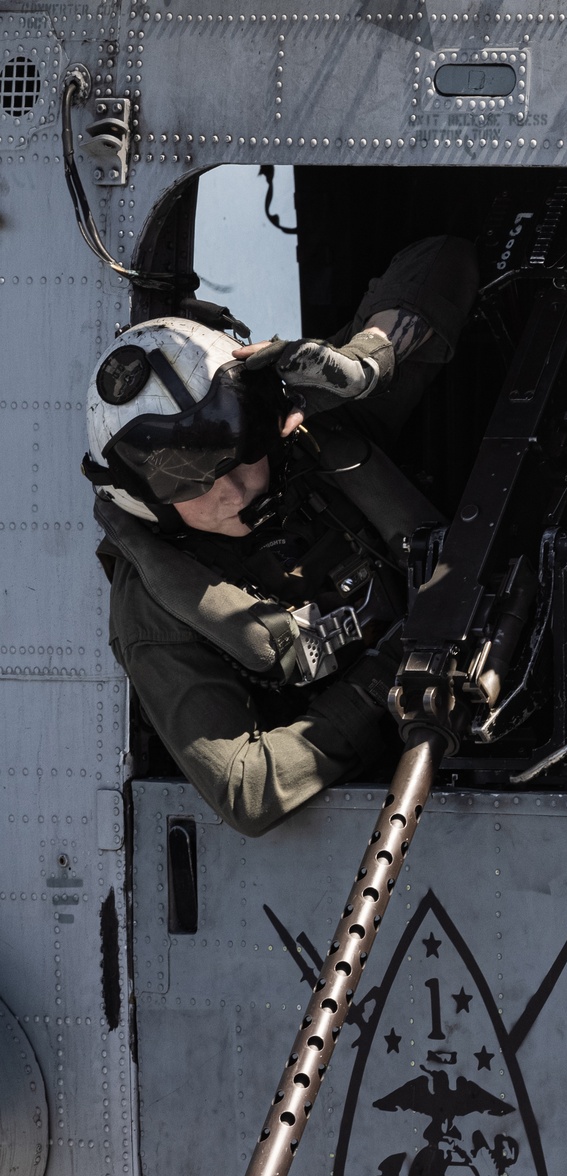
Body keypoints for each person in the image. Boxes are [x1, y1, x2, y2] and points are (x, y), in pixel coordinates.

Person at [84, 236, 478, 835]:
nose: (234, 493)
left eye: (239, 455)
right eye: (193, 486)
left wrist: (368, 363)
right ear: (142, 504)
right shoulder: (156, 611)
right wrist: (393, 671)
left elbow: (440, 260)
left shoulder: (310, 431)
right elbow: (247, 789)